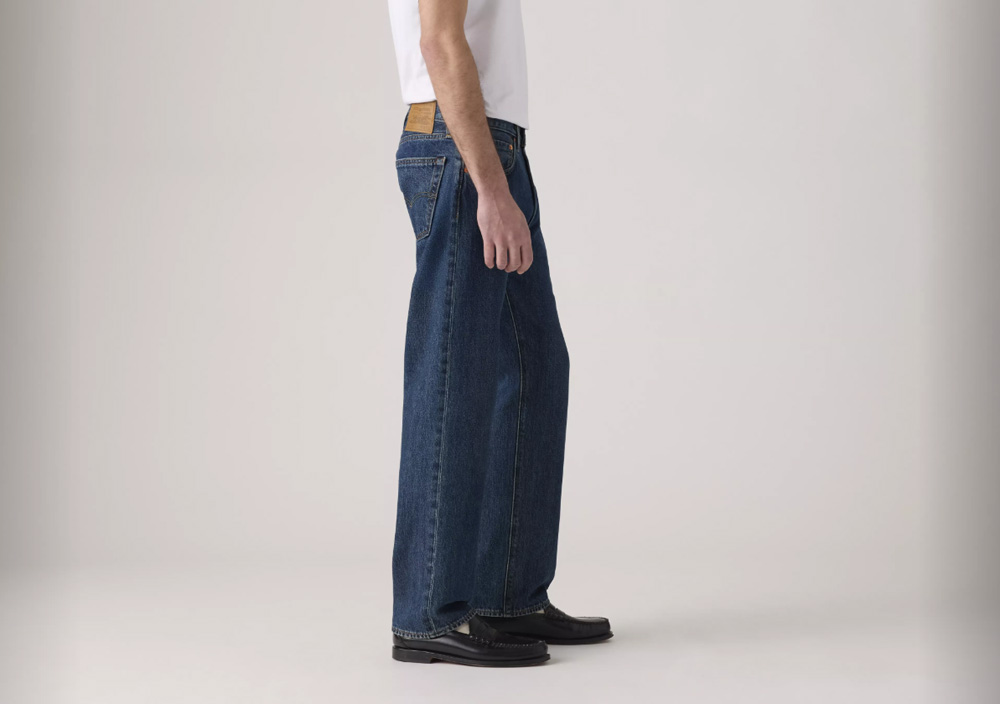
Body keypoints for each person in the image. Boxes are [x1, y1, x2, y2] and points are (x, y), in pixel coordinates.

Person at [387, 0, 613, 667]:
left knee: (534, 365)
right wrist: (489, 185)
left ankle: (509, 594)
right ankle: (428, 610)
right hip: (464, 149)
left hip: (490, 145)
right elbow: (438, 41)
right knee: (453, 373)